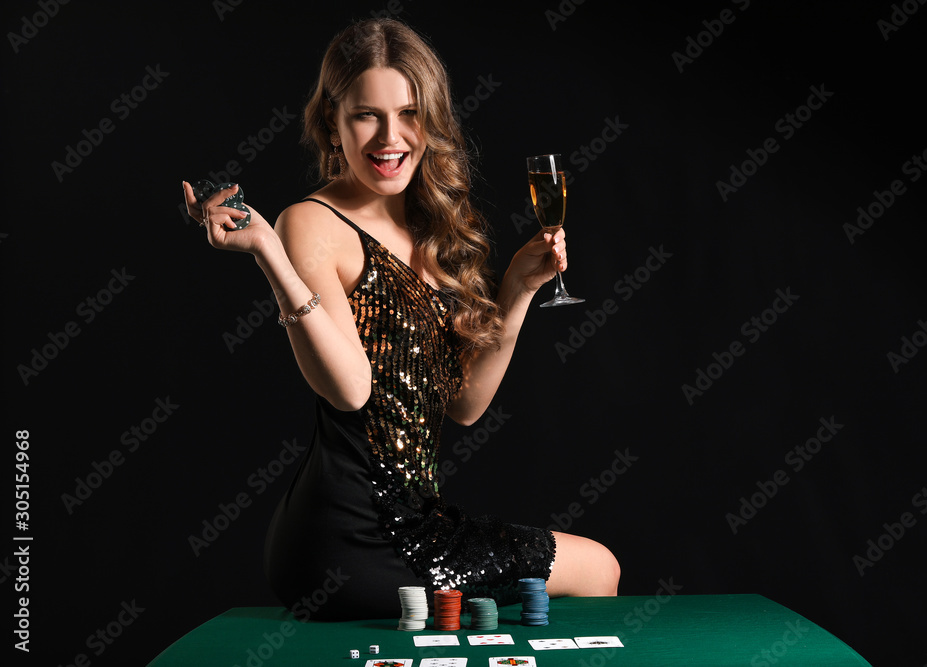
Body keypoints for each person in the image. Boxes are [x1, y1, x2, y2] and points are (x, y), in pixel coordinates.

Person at [183, 17, 618, 621]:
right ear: (332, 122)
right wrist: (270, 256)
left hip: (419, 519)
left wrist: (517, 288)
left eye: (409, 113)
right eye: (367, 114)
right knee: (596, 568)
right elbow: (351, 388)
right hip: (347, 536)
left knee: (600, 566)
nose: (390, 136)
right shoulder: (310, 223)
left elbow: (463, 405)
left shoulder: (428, 227)